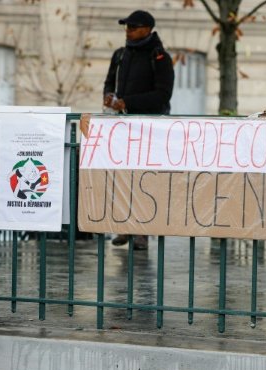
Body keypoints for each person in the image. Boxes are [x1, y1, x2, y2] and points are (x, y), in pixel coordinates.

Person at [103, 9, 174, 251]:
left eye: (133, 27)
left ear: (148, 29)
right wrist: (109, 98)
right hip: (123, 125)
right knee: (124, 177)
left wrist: (128, 103)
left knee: (145, 179)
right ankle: (125, 225)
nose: (128, 31)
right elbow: (109, 83)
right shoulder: (120, 55)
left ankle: (142, 231)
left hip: (150, 127)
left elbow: (163, 95)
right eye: (127, 27)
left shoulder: (160, 57)